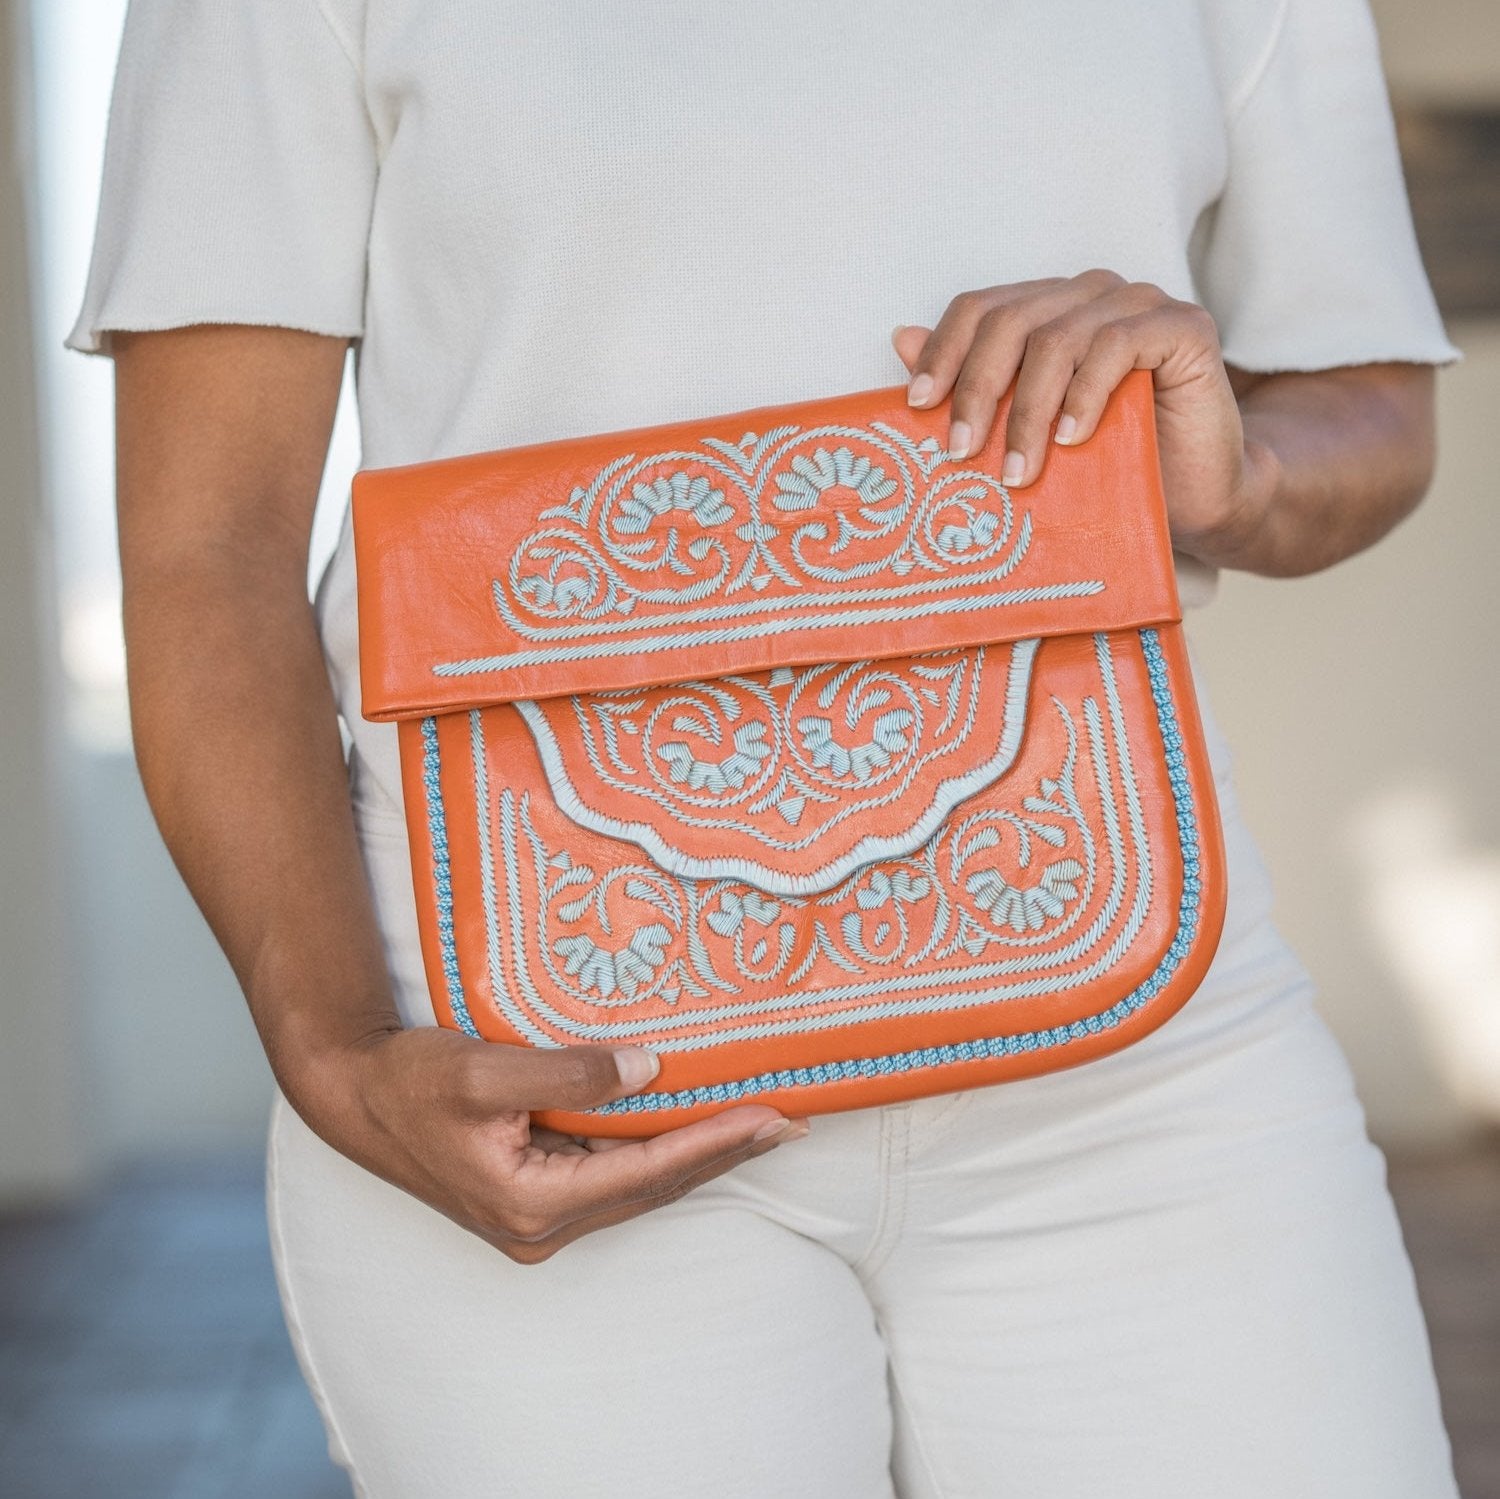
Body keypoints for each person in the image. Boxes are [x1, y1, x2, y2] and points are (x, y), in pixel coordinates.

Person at [71, 1, 1463, 1494]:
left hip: (1139, 1037)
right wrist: (341, 1057)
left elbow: (1367, 397)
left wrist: (1240, 475)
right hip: (540, 1055)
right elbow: (210, 549)